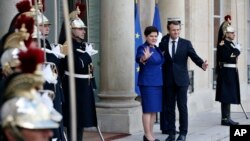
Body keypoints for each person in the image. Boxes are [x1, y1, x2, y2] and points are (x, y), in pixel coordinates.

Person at [159, 18, 208, 141]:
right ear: (169, 30)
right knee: (169, 108)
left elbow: (194, 56)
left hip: (182, 80)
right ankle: (171, 133)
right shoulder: (163, 43)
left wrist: (202, 64)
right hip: (168, 80)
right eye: (173, 30)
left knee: (182, 106)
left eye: (178, 30)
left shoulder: (186, 43)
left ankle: (183, 133)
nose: (176, 32)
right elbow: (158, 57)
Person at [60, 6, 97, 141]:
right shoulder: (67, 46)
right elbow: (77, 65)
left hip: (83, 87)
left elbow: (87, 67)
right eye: (80, 29)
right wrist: (87, 55)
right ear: (71, 30)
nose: (83, 31)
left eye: (84, 29)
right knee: (73, 121)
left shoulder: (81, 45)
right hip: (73, 87)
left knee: (80, 122)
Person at [136, 26, 164, 141]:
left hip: (158, 83)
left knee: (154, 110)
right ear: (146, 36)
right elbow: (139, 59)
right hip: (147, 83)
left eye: (155, 36)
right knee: (147, 109)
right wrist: (144, 59)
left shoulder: (157, 49)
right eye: (151, 36)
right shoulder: (142, 48)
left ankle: (150, 134)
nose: (153, 38)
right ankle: (147, 135)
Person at [215, 25, 241, 126]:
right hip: (226, 71)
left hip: (231, 71)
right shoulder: (223, 44)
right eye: (232, 33)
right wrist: (237, 51)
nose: (234, 34)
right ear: (226, 34)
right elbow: (229, 57)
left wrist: (235, 49)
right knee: (226, 95)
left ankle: (227, 117)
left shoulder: (231, 44)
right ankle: (225, 118)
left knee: (229, 94)